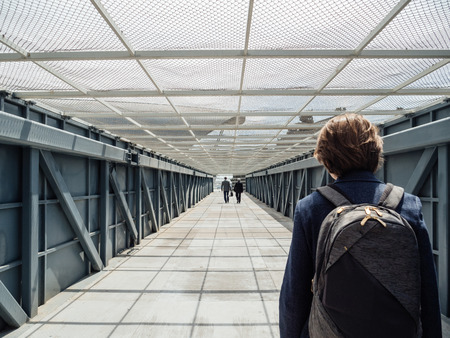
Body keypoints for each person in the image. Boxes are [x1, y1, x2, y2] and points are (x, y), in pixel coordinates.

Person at [279, 113, 442, 337]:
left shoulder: (310, 208)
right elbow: (428, 294)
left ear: (326, 158)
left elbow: (294, 295)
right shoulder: (409, 205)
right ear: (375, 152)